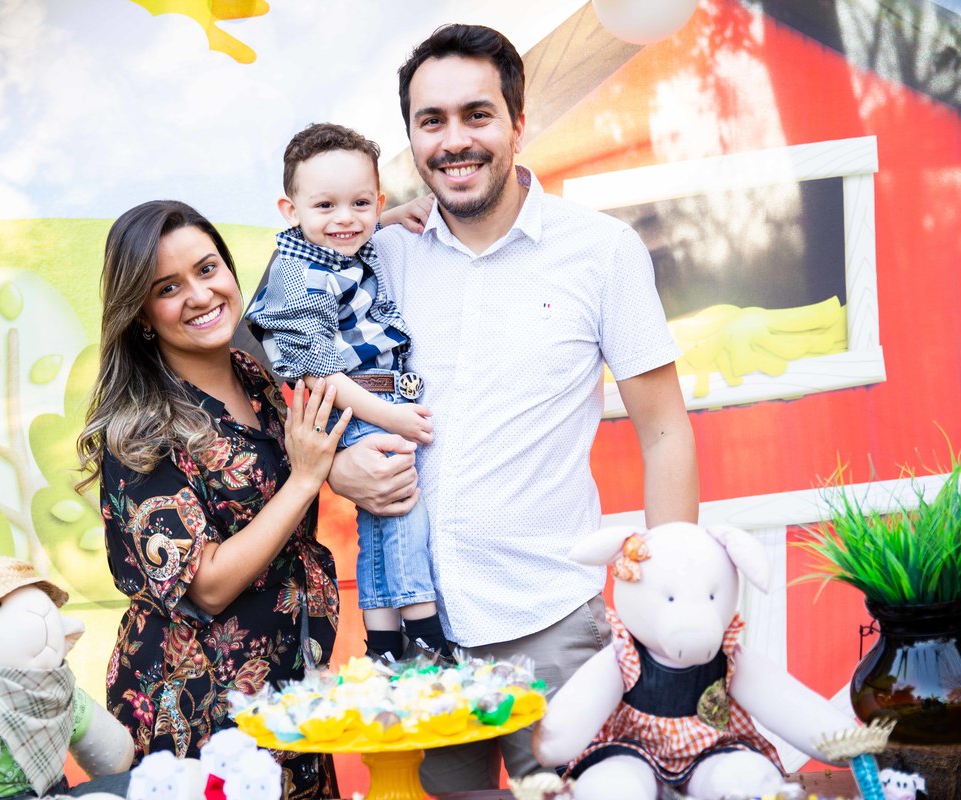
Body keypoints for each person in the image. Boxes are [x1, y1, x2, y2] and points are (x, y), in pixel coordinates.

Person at [324, 24, 700, 792]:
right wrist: (336, 466)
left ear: (518, 123)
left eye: (477, 115)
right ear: (411, 138)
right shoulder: (378, 258)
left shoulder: (602, 251)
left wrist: (671, 603)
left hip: (554, 626)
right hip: (422, 644)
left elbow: (665, 431)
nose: (454, 141)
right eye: (431, 121)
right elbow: (289, 371)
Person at [76, 200, 349, 799]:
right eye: (168, 288)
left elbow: (316, 246)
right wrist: (304, 480)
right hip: (196, 709)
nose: (200, 295)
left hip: (288, 691)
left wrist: (398, 215)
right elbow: (208, 585)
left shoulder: (256, 376)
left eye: (207, 269)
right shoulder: (141, 428)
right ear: (142, 314)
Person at [245, 122, 453, 664]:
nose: (345, 219)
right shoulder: (298, 276)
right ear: (291, 211)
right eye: (325, 206)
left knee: (378, 520)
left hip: (374, 397)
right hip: (354, 401)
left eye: (361, 203)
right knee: (404, 509)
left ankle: (382, 641)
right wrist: (394, 417)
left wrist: (389, 218)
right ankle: (425, 632)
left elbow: (349, 227)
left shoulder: (339, 245)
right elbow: (320, 375)